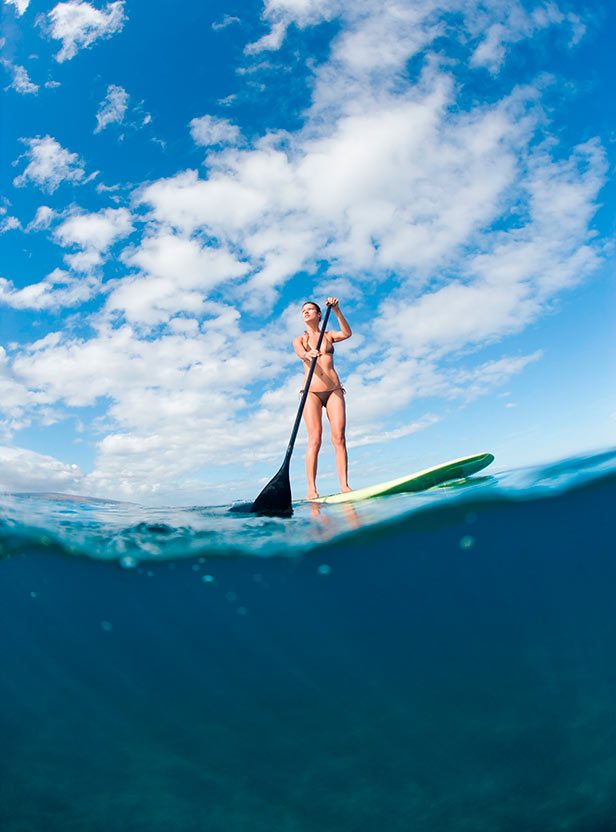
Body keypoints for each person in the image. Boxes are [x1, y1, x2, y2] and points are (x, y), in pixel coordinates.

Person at [293, 297, 352, 499]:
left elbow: (347, 333)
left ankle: (344, 485)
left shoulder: (328, 335)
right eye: (304, 311)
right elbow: (301, 353)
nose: (306, 312)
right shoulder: (299, 340)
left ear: (319, 314)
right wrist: (308, 354)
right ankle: (312, 489)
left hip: (334, 389)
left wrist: (336, 310)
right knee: (315, 439)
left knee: (339, 438)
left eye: (310, 309)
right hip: (311, 392)